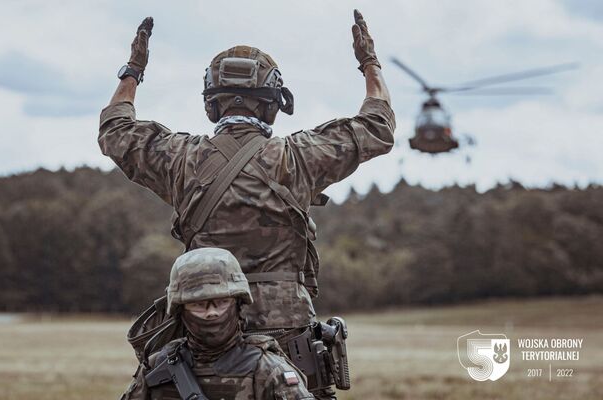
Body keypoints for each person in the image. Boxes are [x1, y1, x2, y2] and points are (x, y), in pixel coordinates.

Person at [100, 10, 394, 398]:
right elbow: (378, 126)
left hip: (205, 335)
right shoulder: (300, 156)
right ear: (272, 105)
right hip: (289, 336)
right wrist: (368, 63)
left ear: (211, 105)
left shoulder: (180, 159)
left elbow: (115, 131)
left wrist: (133, 70)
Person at [120, 247, 314, 400]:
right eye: (199, 304)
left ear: (238, 304)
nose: (212, 312)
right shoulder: (158, 367)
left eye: (221, 302)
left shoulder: (268, 369)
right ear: (181, 311)